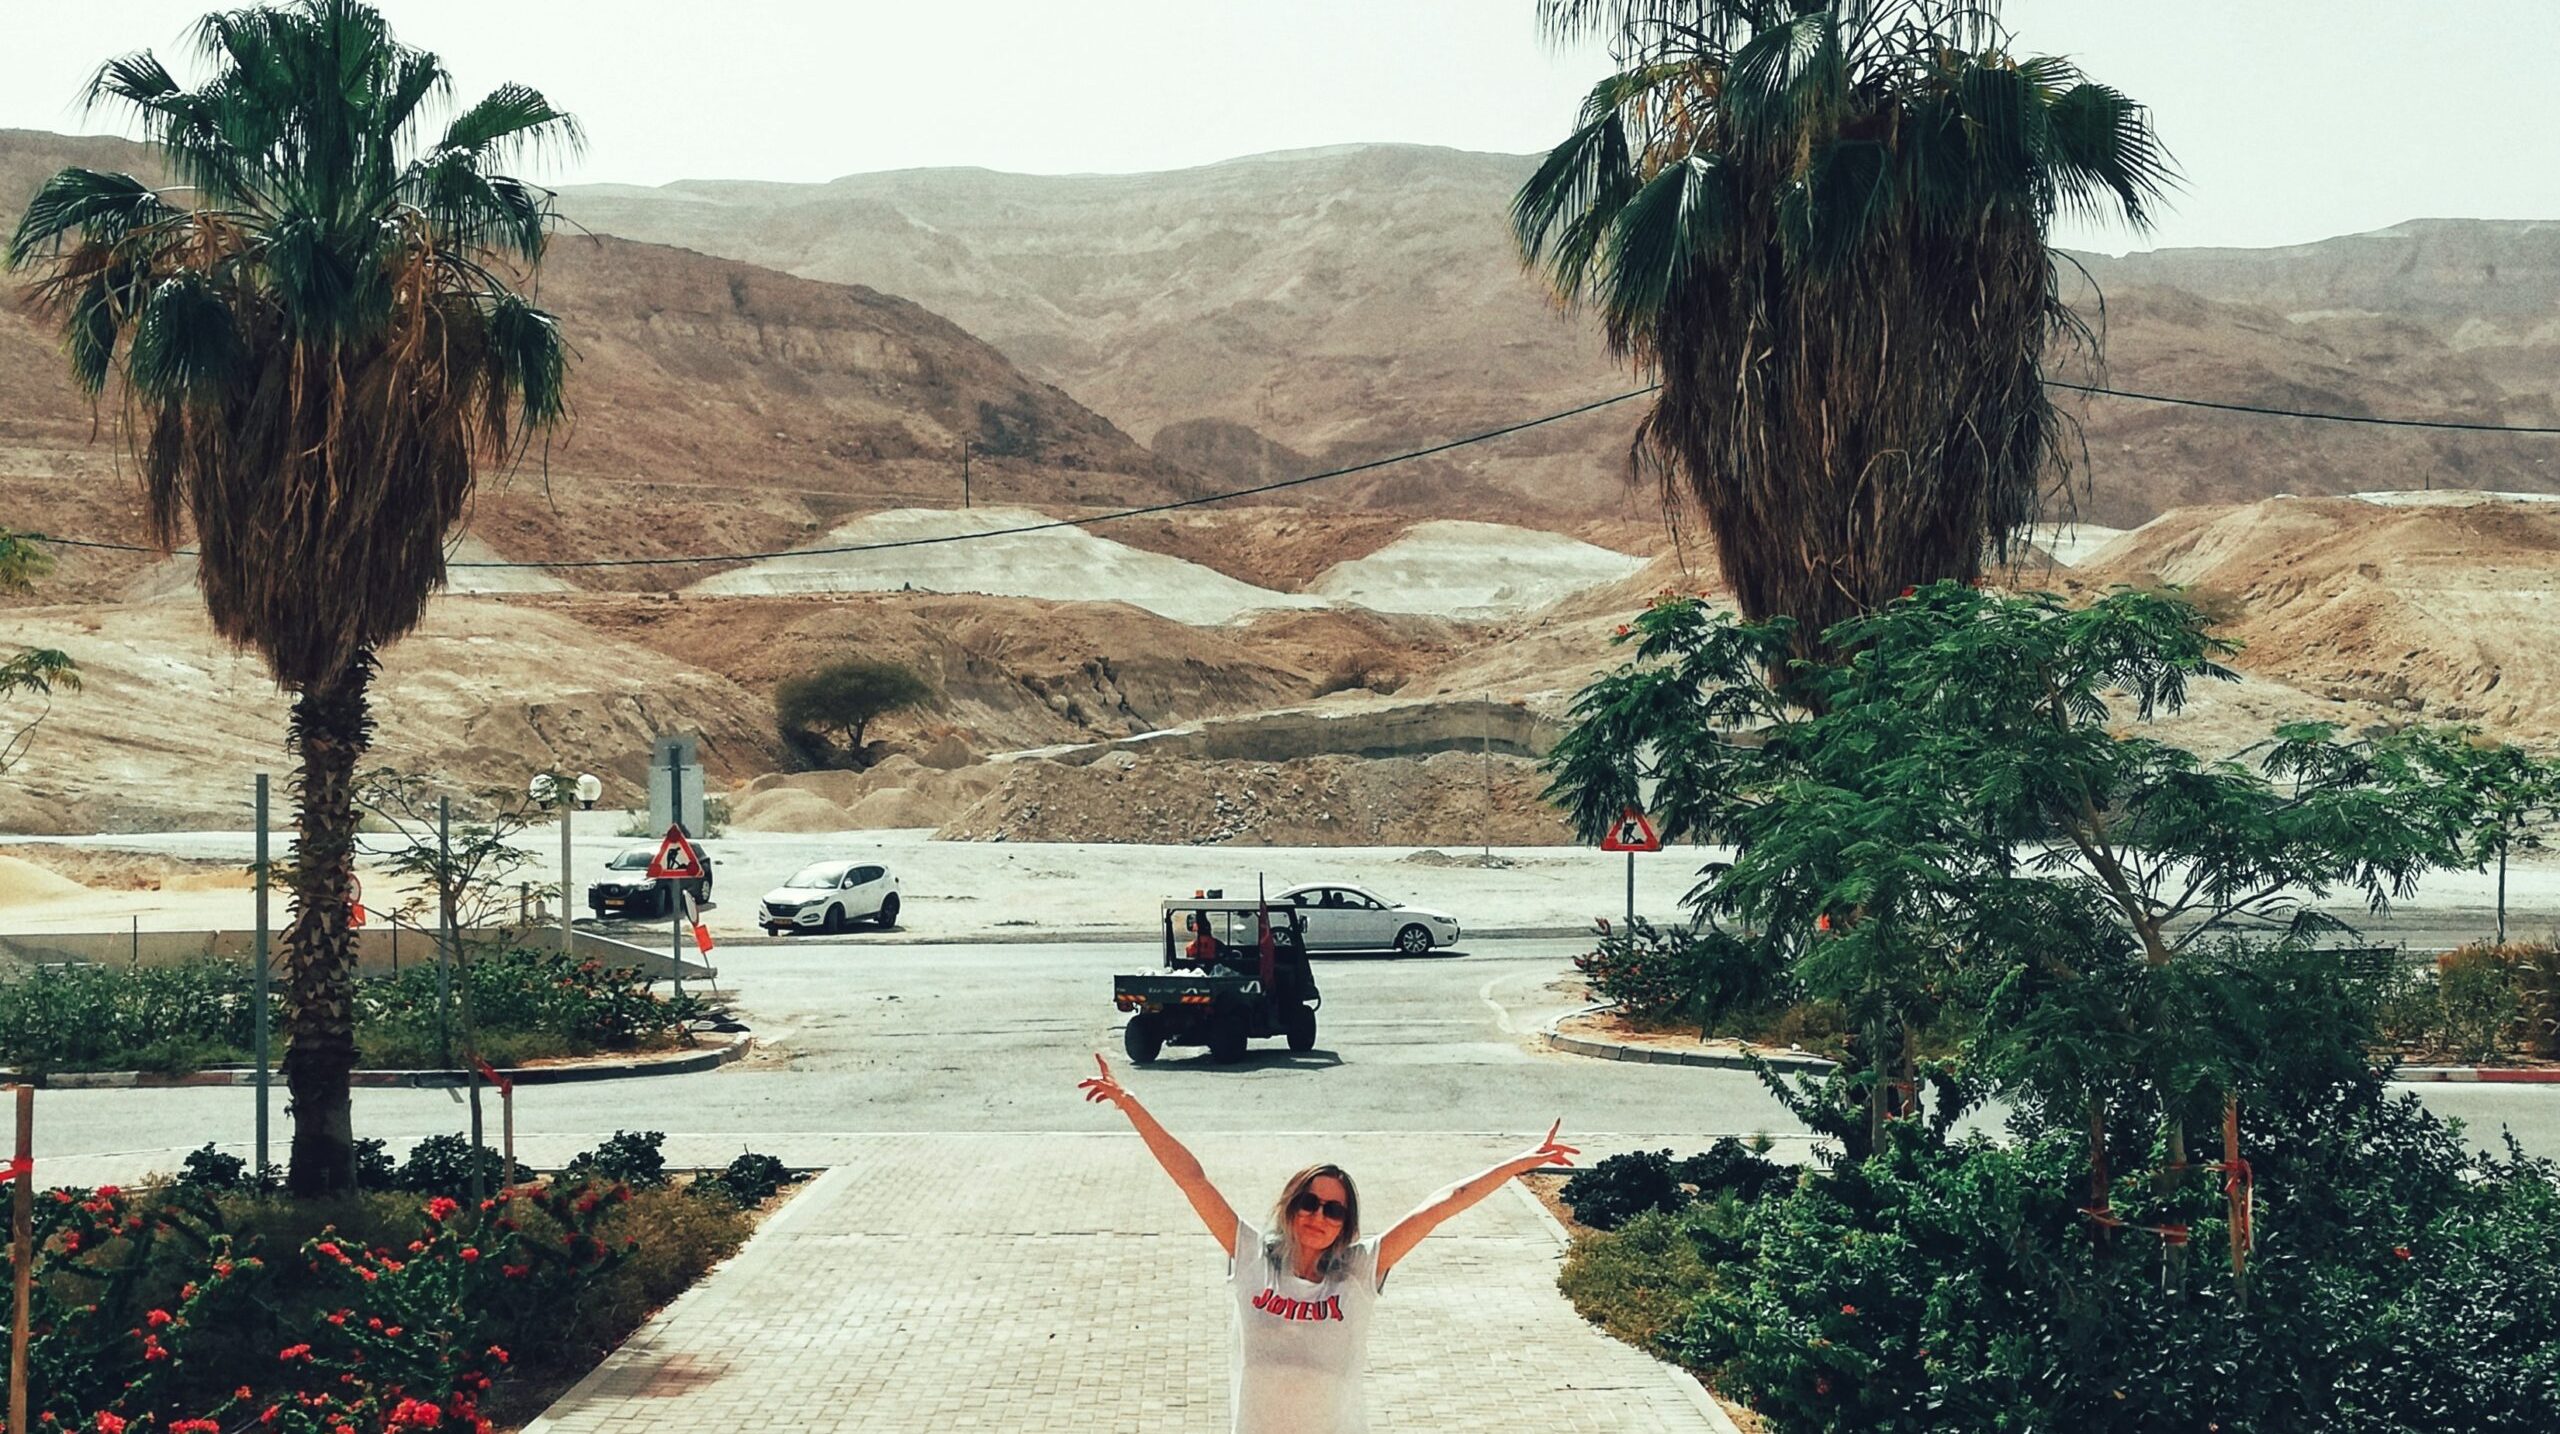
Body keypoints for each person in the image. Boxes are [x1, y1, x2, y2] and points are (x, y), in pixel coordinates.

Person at [1078, 1054, 1575, 1433]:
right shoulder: (1252, 1257)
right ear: (1292, 1205)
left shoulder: (1359, 1271)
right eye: (1309, 1202)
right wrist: (1131, 1104)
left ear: (1346, 1223)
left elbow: (1443, 1204)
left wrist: (1519, 1163)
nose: (1319, 1216)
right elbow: (1193, 1179)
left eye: (1334, 1210)